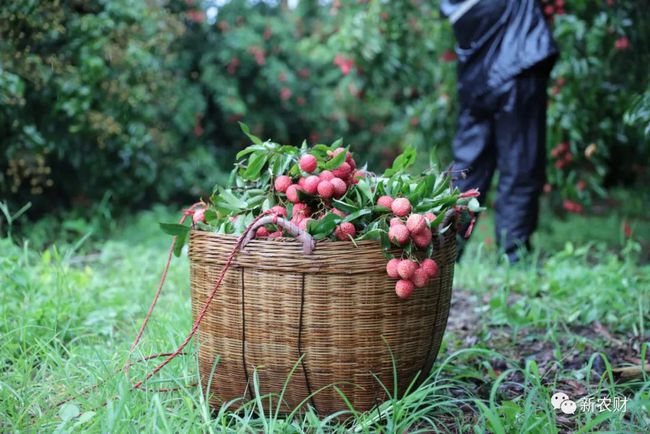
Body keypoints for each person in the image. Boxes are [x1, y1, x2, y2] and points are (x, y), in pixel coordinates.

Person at [441, 0, 558, 262]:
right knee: (520, 164)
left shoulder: (456, 7)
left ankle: (443, 250)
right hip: (518, 65)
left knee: (467, 169)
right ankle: (513, 257)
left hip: (476, 78)